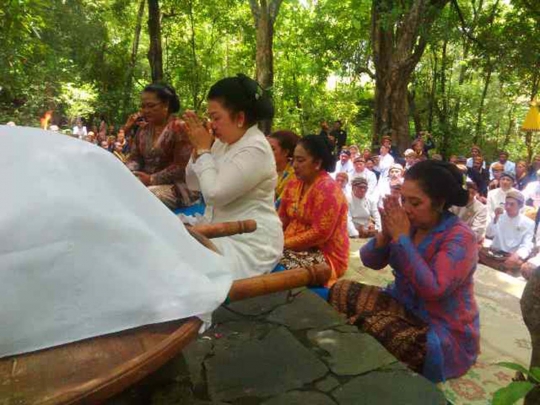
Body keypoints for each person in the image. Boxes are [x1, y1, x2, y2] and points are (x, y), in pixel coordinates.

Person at [329, 160, 479, 383]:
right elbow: (369, 261)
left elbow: (433, 289)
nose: (406, 208)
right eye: (404, 200)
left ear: (439, 203)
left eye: (415, 202)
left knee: (374, 328)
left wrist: (401, 238)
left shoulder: (460, 237)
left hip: (440, 328)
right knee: (340, 290)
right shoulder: (410, 224)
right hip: (400, 303)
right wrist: (385, 234)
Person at [183, 74, 283, 280]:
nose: (212, 124)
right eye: (210, 118)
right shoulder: (222, 142)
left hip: (249, 241)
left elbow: (213, 194)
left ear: (239, 118)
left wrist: (203, 149)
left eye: (216, 117)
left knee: (185, 266)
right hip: (219, 230)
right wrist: (197, 149)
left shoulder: (255, 148)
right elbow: (193, 183)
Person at [278, 135, 349, 287]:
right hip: (288, 246)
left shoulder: (328, 188)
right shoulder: (293, 184)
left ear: (317, 163)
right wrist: (272, 239)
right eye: (293, 159)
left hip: (325, 255)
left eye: (300, 160)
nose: (294, 165)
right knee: (258, 255)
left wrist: (282, 244)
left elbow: (320, 233)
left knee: (275, 268)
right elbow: (282, 219)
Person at [124, 83, 197, 210]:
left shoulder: (180, 128)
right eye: (143, 106)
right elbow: (135, 158)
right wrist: (129, 170)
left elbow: (181, 167)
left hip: (176, 187)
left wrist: (152, 179)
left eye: (151, 106)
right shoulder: (142, 130)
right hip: (144, 182)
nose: (146, 110)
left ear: (166, 105)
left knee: (147, 197)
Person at [481, 191, 534, 276]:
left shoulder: (528, 223)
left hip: (509, 256)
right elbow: (489, 235)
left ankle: (501, 267)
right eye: (506, 204)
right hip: (494, 252)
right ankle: (502, 268)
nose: (508, 207)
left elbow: (527, 245)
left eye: (512, 204)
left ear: (520, 206)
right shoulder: (500, 216)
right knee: (477, 250)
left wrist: (517, 255)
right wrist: (495, 219)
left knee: (518, 262)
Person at [268, 130, 300, 209]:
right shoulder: (268, 171)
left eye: (272, 149)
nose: (266, 152)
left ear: (285, 152)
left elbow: (277, 207)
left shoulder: (293, 176)